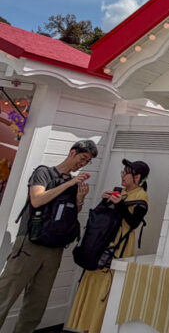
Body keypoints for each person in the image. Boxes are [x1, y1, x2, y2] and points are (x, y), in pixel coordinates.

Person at [0, 140, 97, 333]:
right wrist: (69, 182)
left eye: (87, 162)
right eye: (82, 158)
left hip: (54, 248)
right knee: (5, 295)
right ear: (72, 153)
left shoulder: (73, 182)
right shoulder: (44, 172)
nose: (83, 164)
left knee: (37, 304)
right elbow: (37, 200)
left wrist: (80, 198)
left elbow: (70, 215)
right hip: (30, 244)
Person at [68, 159, 149, 333]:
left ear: (137, 177)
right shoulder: (121, 192)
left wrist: (119, 204)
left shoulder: (141, 197)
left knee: (104, 289)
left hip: (115, 249)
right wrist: (105, 201)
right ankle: (84, 327)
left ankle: (96, 327)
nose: (122, 175)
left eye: (125, 172)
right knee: (91, 284)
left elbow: (133, 223)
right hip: (99, 245)